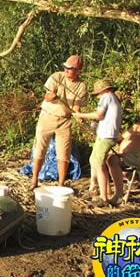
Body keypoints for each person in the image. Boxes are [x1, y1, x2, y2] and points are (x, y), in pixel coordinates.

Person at [29, 55, 88, 191]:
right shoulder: (56, 77)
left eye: (70, 68)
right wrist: (51, 96)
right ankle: (34, 180)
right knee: (40, 149)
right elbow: (46, 96)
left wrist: (79, 116)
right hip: (47, 117)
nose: (66, 69)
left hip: (64, 121)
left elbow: (76, 107)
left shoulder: (81, 86)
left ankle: (61, 184)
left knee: (64, 153)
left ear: (78, 71)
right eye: (65, 67)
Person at [73, 79, 122, 206]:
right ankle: (97, 189)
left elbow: (99, 115)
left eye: (97, 94)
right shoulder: (112, 98)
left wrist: (80, 115)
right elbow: (102, 118)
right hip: (105, 135)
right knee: (93, 160)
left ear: (103, 91)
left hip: (106, 136)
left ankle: (103, 197)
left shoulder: (106, 97)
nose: (98, 97)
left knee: (99, 164)